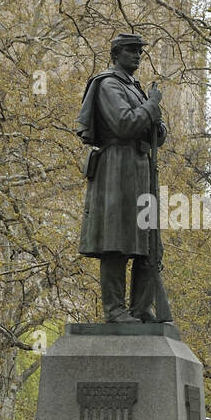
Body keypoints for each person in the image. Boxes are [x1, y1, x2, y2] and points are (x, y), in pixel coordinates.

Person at [76, 33, 172, 323]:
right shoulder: (108, 84)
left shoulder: (136, 89)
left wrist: (154, 117)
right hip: (116, 167)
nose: (137, 55)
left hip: (141, 168)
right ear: (116, 53)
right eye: (131, 51)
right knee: (116, 239)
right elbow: (124, 123)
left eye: (139, 51)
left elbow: (157, 133)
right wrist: (151, 107)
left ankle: (142, 307)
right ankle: (115, 310)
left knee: (149, 242)